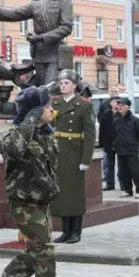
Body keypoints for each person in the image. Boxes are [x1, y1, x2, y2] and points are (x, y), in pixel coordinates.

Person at [0, 85, 78, 277]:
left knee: (37, 251)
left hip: (41, 201)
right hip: (24, 204)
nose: (51, 109)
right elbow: (13, 148)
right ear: (34, 112)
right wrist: (31, 118)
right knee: (45, 252)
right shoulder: (14, 135)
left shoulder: (45, 132)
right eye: (46, 106)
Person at [50, 70, 96, 244]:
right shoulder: (55, 103)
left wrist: (86, 160)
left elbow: (90, 134)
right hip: (58, 152)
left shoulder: (84, 105)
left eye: (67, 83)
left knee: (74, 194)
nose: (63, 86)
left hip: (74, 154)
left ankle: (76, 231)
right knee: (61, 194)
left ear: (75, 86)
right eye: (61, 83)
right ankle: (65, 231)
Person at [113, 97, 139, 198]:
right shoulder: (116, 120)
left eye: (122, 105)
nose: (120, 107)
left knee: (135, 171)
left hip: (132, 150)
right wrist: (115, 144)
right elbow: (113, 134)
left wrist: (135, 143)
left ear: (128, 107)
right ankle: (127, 190)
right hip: (120, 149)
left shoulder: (135, 120)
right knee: (123, 172)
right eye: (118, 105)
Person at [98, 96, 120, 191]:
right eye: (115, 101)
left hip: (120, 143)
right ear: (110, 103)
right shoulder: (106, 114)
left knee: (122, 165)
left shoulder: (122, 114)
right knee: (109, 165)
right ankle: (110, 184)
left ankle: (124, 183)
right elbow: (101, 129)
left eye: (119, 102)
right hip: (109, 143)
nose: (117, 103)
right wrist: (101, 143)